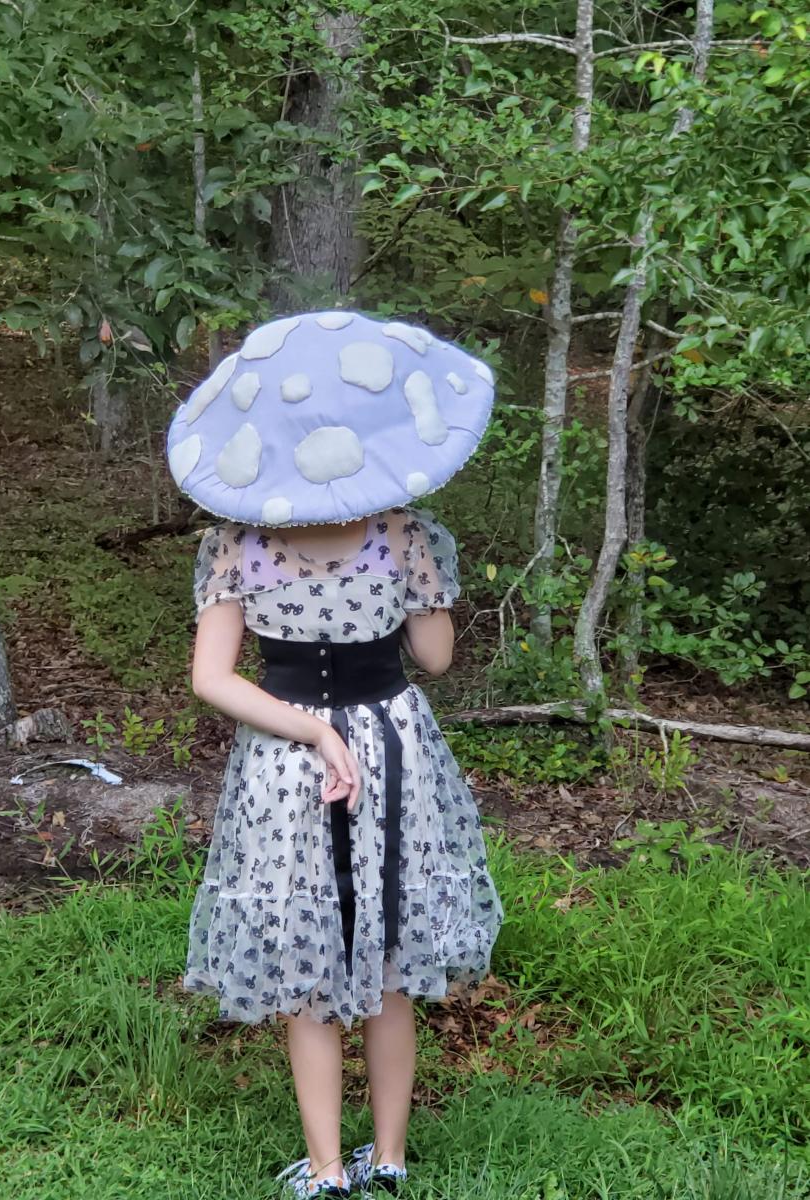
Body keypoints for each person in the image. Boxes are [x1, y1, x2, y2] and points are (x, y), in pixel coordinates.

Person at [169, 312, 503, 1197]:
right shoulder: (406, 534)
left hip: (285, 761)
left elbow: (212, 678)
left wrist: (312, 729)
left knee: (304, 962)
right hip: (392, 749)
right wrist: (426, 594)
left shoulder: (235, 543)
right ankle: (388, 1159)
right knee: (388, 955)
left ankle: (327, 1172)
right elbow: (434, 660)